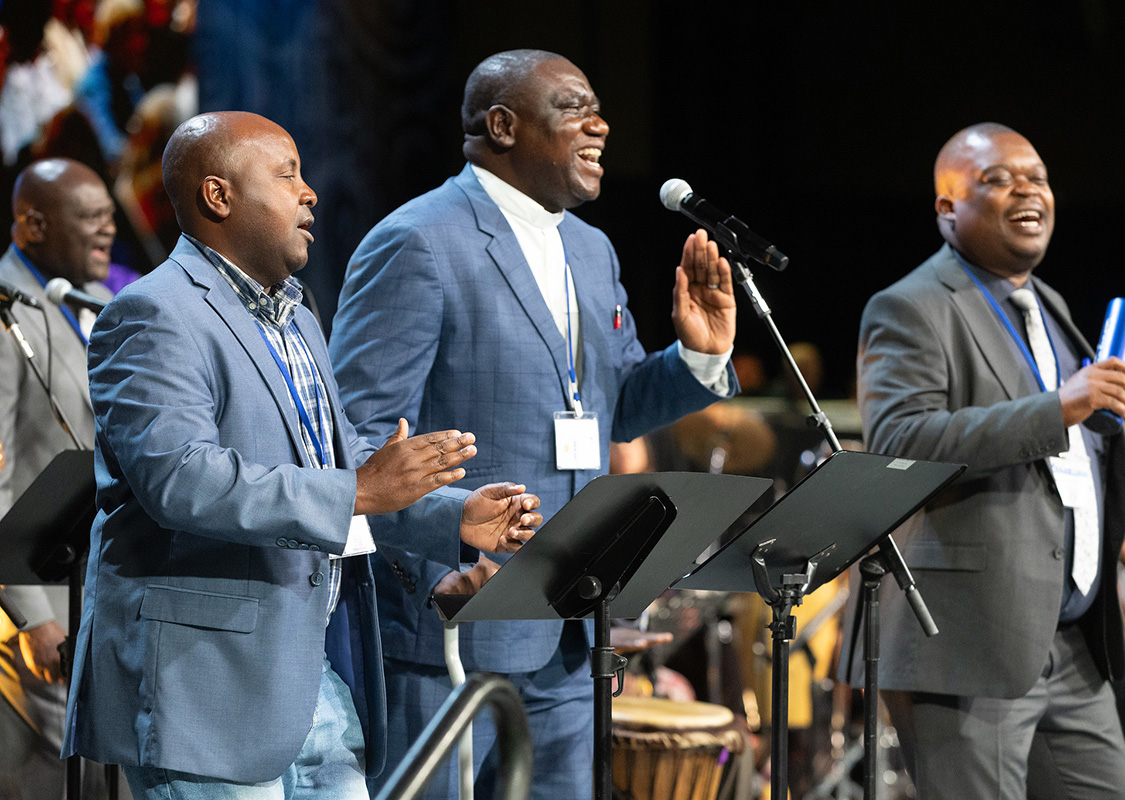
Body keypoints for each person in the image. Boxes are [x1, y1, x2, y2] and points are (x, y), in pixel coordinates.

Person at [61, 110, 542, 799]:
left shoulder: (297, 315)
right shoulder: (152, 313)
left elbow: (346, 468)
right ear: (218, 195)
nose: (310, 192)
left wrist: (451, 514)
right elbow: (181, 479)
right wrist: (359, 493)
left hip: (313, 673)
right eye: (287, 175)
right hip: (207, 689)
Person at [328, 49, 738, 799]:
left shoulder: (590, 247)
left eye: (599, 107)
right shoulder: (418, 240)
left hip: (575, 627)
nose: (601, 124)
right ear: (503, 124)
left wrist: (694, 361)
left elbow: (609, 406)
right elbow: (355, 446)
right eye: (574, 107)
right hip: (456, 622)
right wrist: (450, 536)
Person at [839, 122, 1125, 799]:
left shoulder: (1048, 305)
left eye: (1038, 177)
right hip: (967, 644)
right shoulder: (911, 306)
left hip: (1071, 643)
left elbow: (1050, 466)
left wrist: (1098, 531)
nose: (1028, 190)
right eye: (998, 179)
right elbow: (901, 441)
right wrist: (1060, 407)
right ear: (947, 209)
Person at [0, 156, 115, 800]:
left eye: (108, 215)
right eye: (90, 218)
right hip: (42, 591)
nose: (107, 231)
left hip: (97, 580)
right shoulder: (3, 310)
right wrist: (34, 617)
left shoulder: (82, 298)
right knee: (70, 773)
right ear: (33, 224)